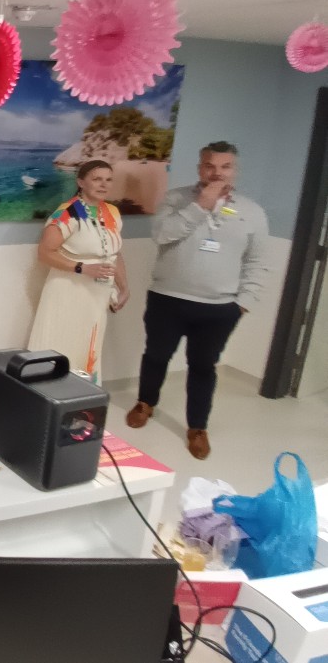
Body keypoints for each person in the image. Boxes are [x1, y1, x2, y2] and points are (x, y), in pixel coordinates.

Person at [131, 142, 270, 460]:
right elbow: (162, 235)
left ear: (235, 170)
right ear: (199, 168)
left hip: (219, 308)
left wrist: (243, 302)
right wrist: (201, 205)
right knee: (156, 355)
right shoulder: (176, 199)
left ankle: (197, 428)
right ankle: (145, 403)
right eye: (210, 165)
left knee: (203, 367)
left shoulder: (252, 212)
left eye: (225, 166)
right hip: (167, 299)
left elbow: (258, 261)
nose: (217, 172)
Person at [22, 160, 127, 384]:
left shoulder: (112, 212)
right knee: (61, 346)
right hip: (68, 293)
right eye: (97, 179)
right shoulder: (67, 213)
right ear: (81, 182)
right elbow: (45, 253)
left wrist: (123, 286)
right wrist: (82, 268)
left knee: (88, 347)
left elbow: (115, 253)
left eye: (108, 179)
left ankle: (81, 403)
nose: (103, 184)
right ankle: (49, 401)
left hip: (97, 295)